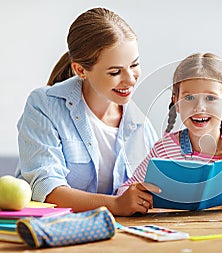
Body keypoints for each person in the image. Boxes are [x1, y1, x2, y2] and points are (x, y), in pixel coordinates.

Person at [16, 7, 161, 216]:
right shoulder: (43, 105)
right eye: (115, 71)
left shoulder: (138, 121)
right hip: (53, 233)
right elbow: (46, 190)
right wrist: (116, 204)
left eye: (134, 64)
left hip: (117, 233)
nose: (131, 79)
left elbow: (152, 184)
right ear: (81, 70)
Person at [117, 53, 222, 207]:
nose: (199, 107)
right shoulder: (164, 150)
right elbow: (125, 190)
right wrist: (141, 198)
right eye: (189, 98)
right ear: (177, 103)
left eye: (210, 98)